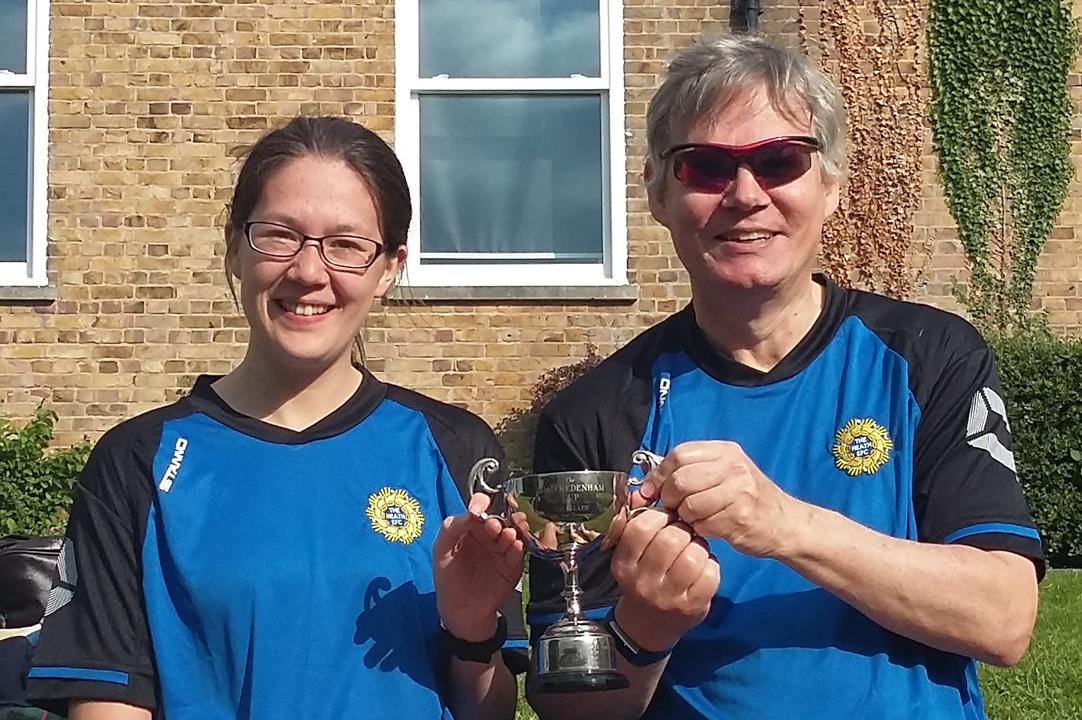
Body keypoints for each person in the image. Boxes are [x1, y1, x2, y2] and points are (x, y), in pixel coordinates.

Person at [526, 35, 1043, 720]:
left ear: (830, 185)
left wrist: (784, 525)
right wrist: (646, 629)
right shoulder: (596, 411)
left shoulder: (927, 355)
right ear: (655, 191)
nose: (746, 195)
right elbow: (566, 707)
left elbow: (1003, 619)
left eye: (779, 162)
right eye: (704, 167)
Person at [25, 117, 527, 720]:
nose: (309, 272)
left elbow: (489, 709)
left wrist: (472, 634)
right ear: (236, 246)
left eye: (346, 244)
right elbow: (106, 702)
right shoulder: (137, 460)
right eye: (279, 235)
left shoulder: (454, 448)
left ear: (389, 267)